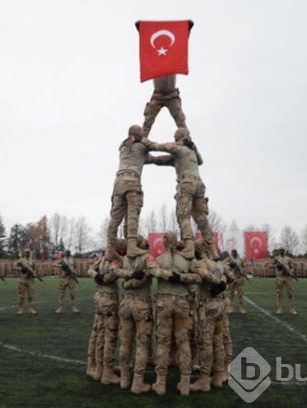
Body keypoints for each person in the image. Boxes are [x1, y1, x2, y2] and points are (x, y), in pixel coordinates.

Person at [144, 128, 216, 259]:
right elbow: (164, 160)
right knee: (201, 219)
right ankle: (213, 249)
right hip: (199, 185)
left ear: (178, 138)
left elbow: (162, 147)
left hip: (186, 184)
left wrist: (146, 143)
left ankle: (189, 247)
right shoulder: (191, 152)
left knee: (184, 216)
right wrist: (150, 159)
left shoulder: (179, 148)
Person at [147, 232, 202, 396]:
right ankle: (185, 382)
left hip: (164, 304)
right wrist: (182, 277)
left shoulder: (158, 260)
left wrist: (170, 275)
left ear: (164, 242)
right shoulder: (185, 260)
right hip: (182, 304)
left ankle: (161, 383)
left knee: (163, 342)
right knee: (183, 341)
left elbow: (152, 272)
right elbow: (198, 277)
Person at [105, 125, 155, 260]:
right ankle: (131, 247)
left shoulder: (122, 147)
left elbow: (146, 159)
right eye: (141, 132)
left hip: (118, 183)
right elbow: (155, 148)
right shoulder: (141, 147)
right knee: (132, 216)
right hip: (132, 182)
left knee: (115, 219)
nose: (143, 133)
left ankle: (109, 249)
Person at [113, 236, 154, 393]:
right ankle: (138, 382)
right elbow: (146, 278)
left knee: (125, 343)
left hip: (126, 304)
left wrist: (127, 283)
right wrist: (134, 281)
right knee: (142, 344)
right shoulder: (146, 258)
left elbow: (122, 280)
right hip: (142, 304)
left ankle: (124, 379)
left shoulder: (125, 260)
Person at [189, 240, 229, 392]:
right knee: (218, 341)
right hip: (220, 306)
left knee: (206, 342)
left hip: (208, 307)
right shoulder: (217, 264)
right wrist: (221, 284)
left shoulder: (202, 264)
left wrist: (216, 283)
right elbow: (225, 279)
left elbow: (204, 274)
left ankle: (204, 379)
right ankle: (218, 376)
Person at [90, 241, 123, 385]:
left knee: (99, 334)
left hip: (100, 298)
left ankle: (98, 369)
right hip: (109, 300)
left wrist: (96, 276)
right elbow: (112, 276)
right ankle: (107, 372)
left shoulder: (101, 260)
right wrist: (102, 279)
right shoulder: (114, 263)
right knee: (109, 336)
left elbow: (90, 270)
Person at [273, 247, 298, 316]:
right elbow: (270, 265)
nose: (281, 251)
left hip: (287, 278)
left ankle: (292, 309)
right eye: (280, 250)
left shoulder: (288, 259)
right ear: (278, 251)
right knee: (279, 293)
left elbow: (292, 267)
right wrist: (276, 265)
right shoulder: (276, 259)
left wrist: (290, 272)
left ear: (284, 251)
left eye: (283, 250)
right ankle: (280, 308)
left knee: (290, 293)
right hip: (279, 277)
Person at [15, 249, 39, 315]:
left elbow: (35, 269)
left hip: (31, 280)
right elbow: (14, 266)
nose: (27, 253)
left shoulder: (32, 261)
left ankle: (32, 309)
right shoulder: (21, 260)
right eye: (26, 252)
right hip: (22, 280)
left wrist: (34, 273)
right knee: (21, 296)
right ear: (24, 253)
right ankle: (20, 309)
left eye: (28, 252)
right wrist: (21, 269)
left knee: (31, 295)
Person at [226, 249, 247, 314]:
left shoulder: (240, 259)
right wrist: (230, 266)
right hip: (232, 279)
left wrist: (242, 270)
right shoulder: (229, 259)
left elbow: (244, 267)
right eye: (232, 252)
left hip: (239, 278)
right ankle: (231, 308)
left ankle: (242, 308)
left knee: (240, 294)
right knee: (231, 294)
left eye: (235, 252)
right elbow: (226, 268)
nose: (233, 253)